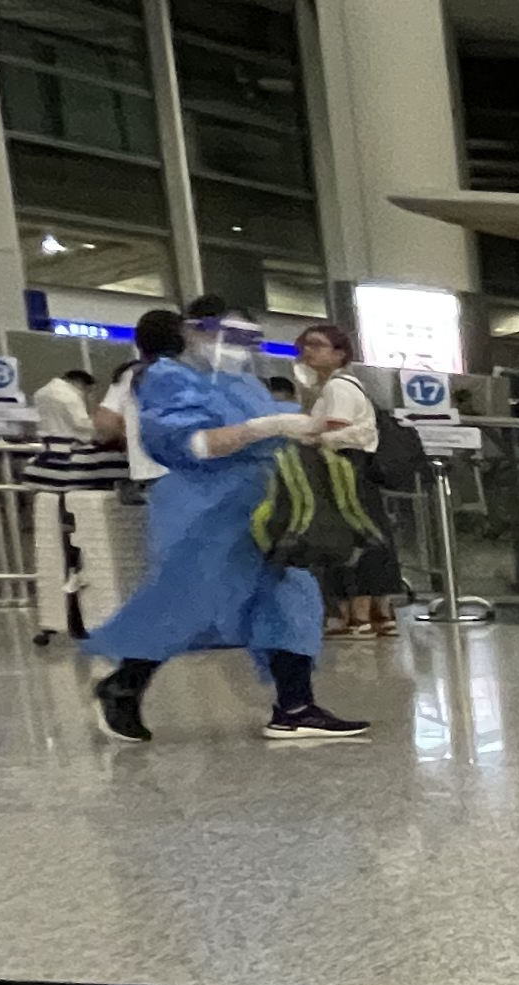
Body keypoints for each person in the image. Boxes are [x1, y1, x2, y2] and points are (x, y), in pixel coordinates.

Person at [83, 299, 368, 744]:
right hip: (202, 507)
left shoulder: (243, 383)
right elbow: (187, 444)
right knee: (191, 603)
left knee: (290, 599)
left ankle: (295, 707)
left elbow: (280, 432)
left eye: (245, 338)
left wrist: (330, 435)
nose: (234, 347)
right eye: (226, 335)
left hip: (264, 505)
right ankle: (123, 685)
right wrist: (264, 428)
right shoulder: (166, 378)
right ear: (194, 332)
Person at [290, 319, 403, 637]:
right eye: (306, 346)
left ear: (339, 353)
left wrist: (306, 437)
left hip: (342, 467)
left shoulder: (337, 387)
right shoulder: (345, 385)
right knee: (369, 535)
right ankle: (379, 611)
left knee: (350, 539)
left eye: (317, 345)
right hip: (355, 468)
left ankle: (358, 612)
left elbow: (334, 432)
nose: (308, 352)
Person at [27, 347, 135, 641]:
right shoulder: (67, 395)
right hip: (82, 467)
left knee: (62, 546)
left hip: (54, 468)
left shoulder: (43, 392)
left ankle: (67, 615)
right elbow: (88, 426)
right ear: (84, 385)